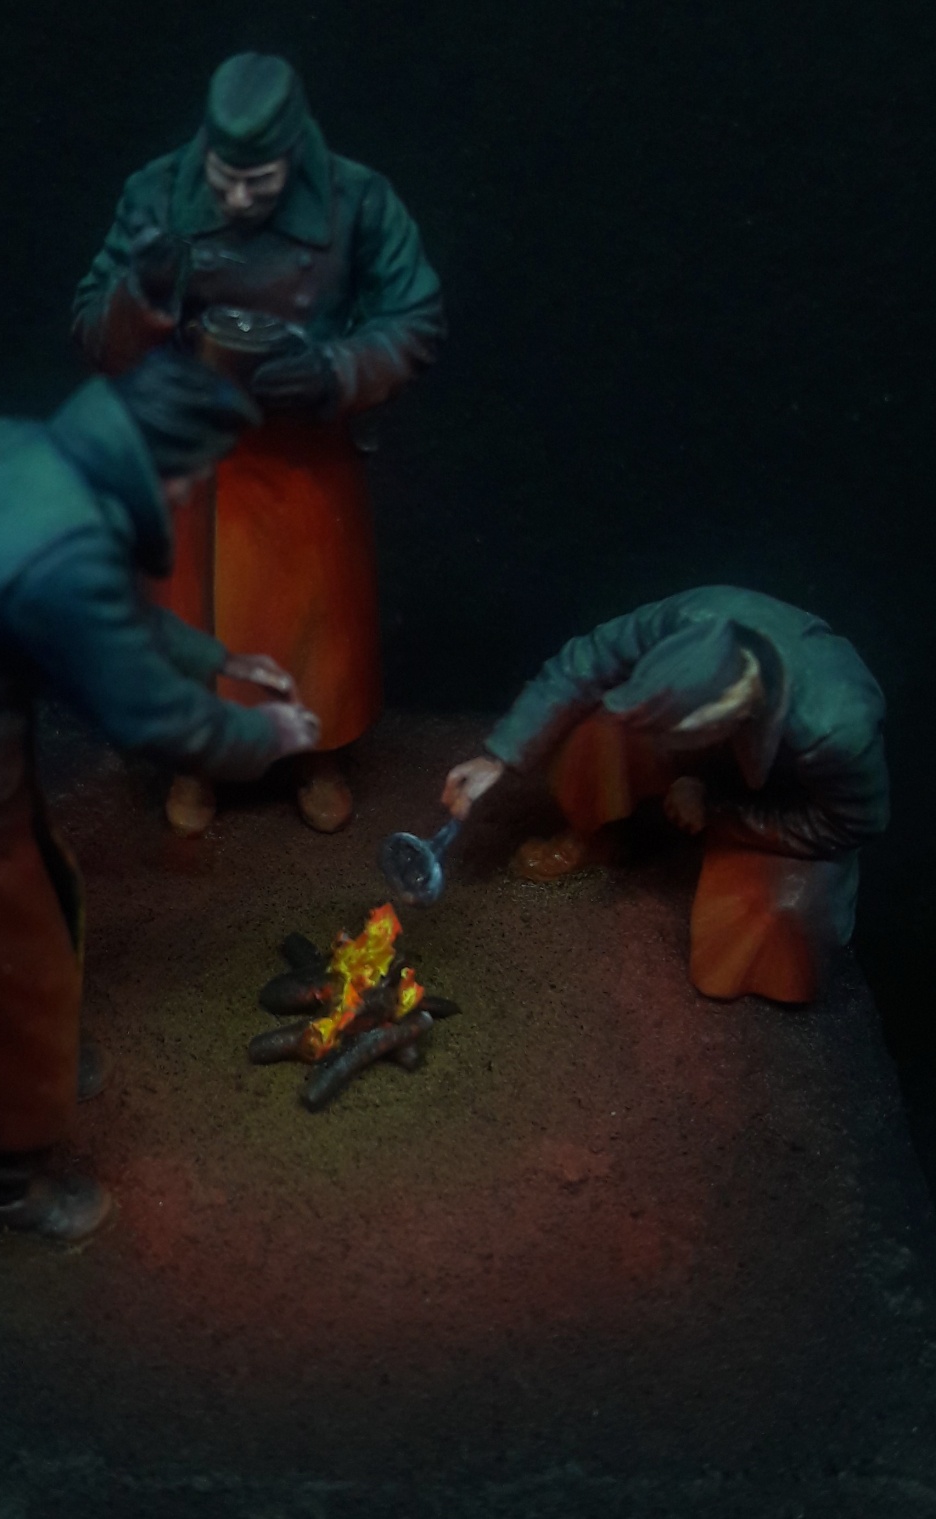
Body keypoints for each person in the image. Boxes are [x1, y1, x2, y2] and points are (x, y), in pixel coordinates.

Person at [0, 352, 319, 1243]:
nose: (192, 494)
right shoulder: (68, 546)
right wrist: (266, 737)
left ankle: (20, 1074)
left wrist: (219, 658)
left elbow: (114, 614)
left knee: (10, 907)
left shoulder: (19, 448)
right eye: (194, 474)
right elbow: (154, 718)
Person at [73, 51, 445, 836]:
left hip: (303, 451)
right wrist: (142, 296)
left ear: (295, 152)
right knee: (190, 614)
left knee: (310, 623)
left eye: (261, 180)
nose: (239, 198)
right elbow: (92, 327)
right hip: (191, 455)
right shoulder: (156, 193)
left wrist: (335, 370)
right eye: (225, 177)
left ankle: (313, 753)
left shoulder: (357, 199)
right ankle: (195, 759)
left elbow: (414, 317)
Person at [442, 586, 889, 1004]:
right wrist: (499, 757)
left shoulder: (835, 728)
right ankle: (596, 834)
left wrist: (716, 808)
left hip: (780, 798)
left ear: (724, 718)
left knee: (769, 928)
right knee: (599, 731)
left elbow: (849, 823)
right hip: (712, 756)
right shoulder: (686, 620)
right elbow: (584, 663)